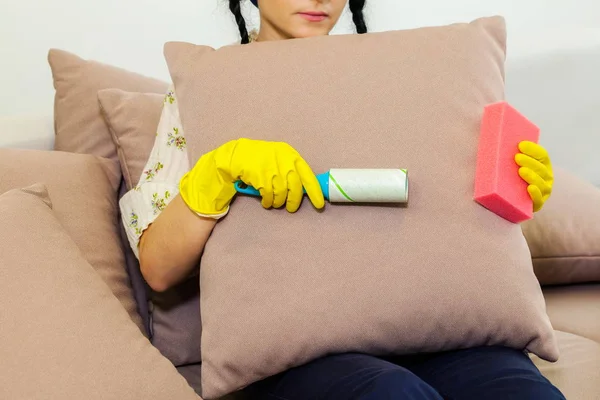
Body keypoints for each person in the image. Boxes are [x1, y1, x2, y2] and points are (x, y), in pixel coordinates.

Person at [120, 1, 563, 399]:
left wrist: (509, 185)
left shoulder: (410, 78)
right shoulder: (207, 92)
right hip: (303, 353)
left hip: (443, 333)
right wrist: (216, 172)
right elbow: (158, 269)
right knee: (390, 393)